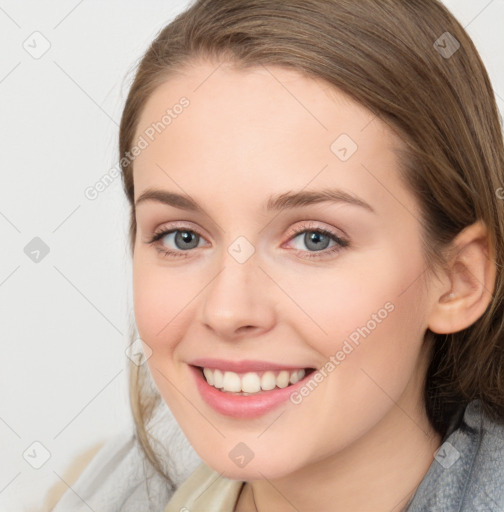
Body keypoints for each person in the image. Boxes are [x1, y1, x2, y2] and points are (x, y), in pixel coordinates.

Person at [53, 0, 504, 510]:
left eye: (316, 239)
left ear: (458, 279)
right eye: (182, 237)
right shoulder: (99, 492)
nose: (228, 311)